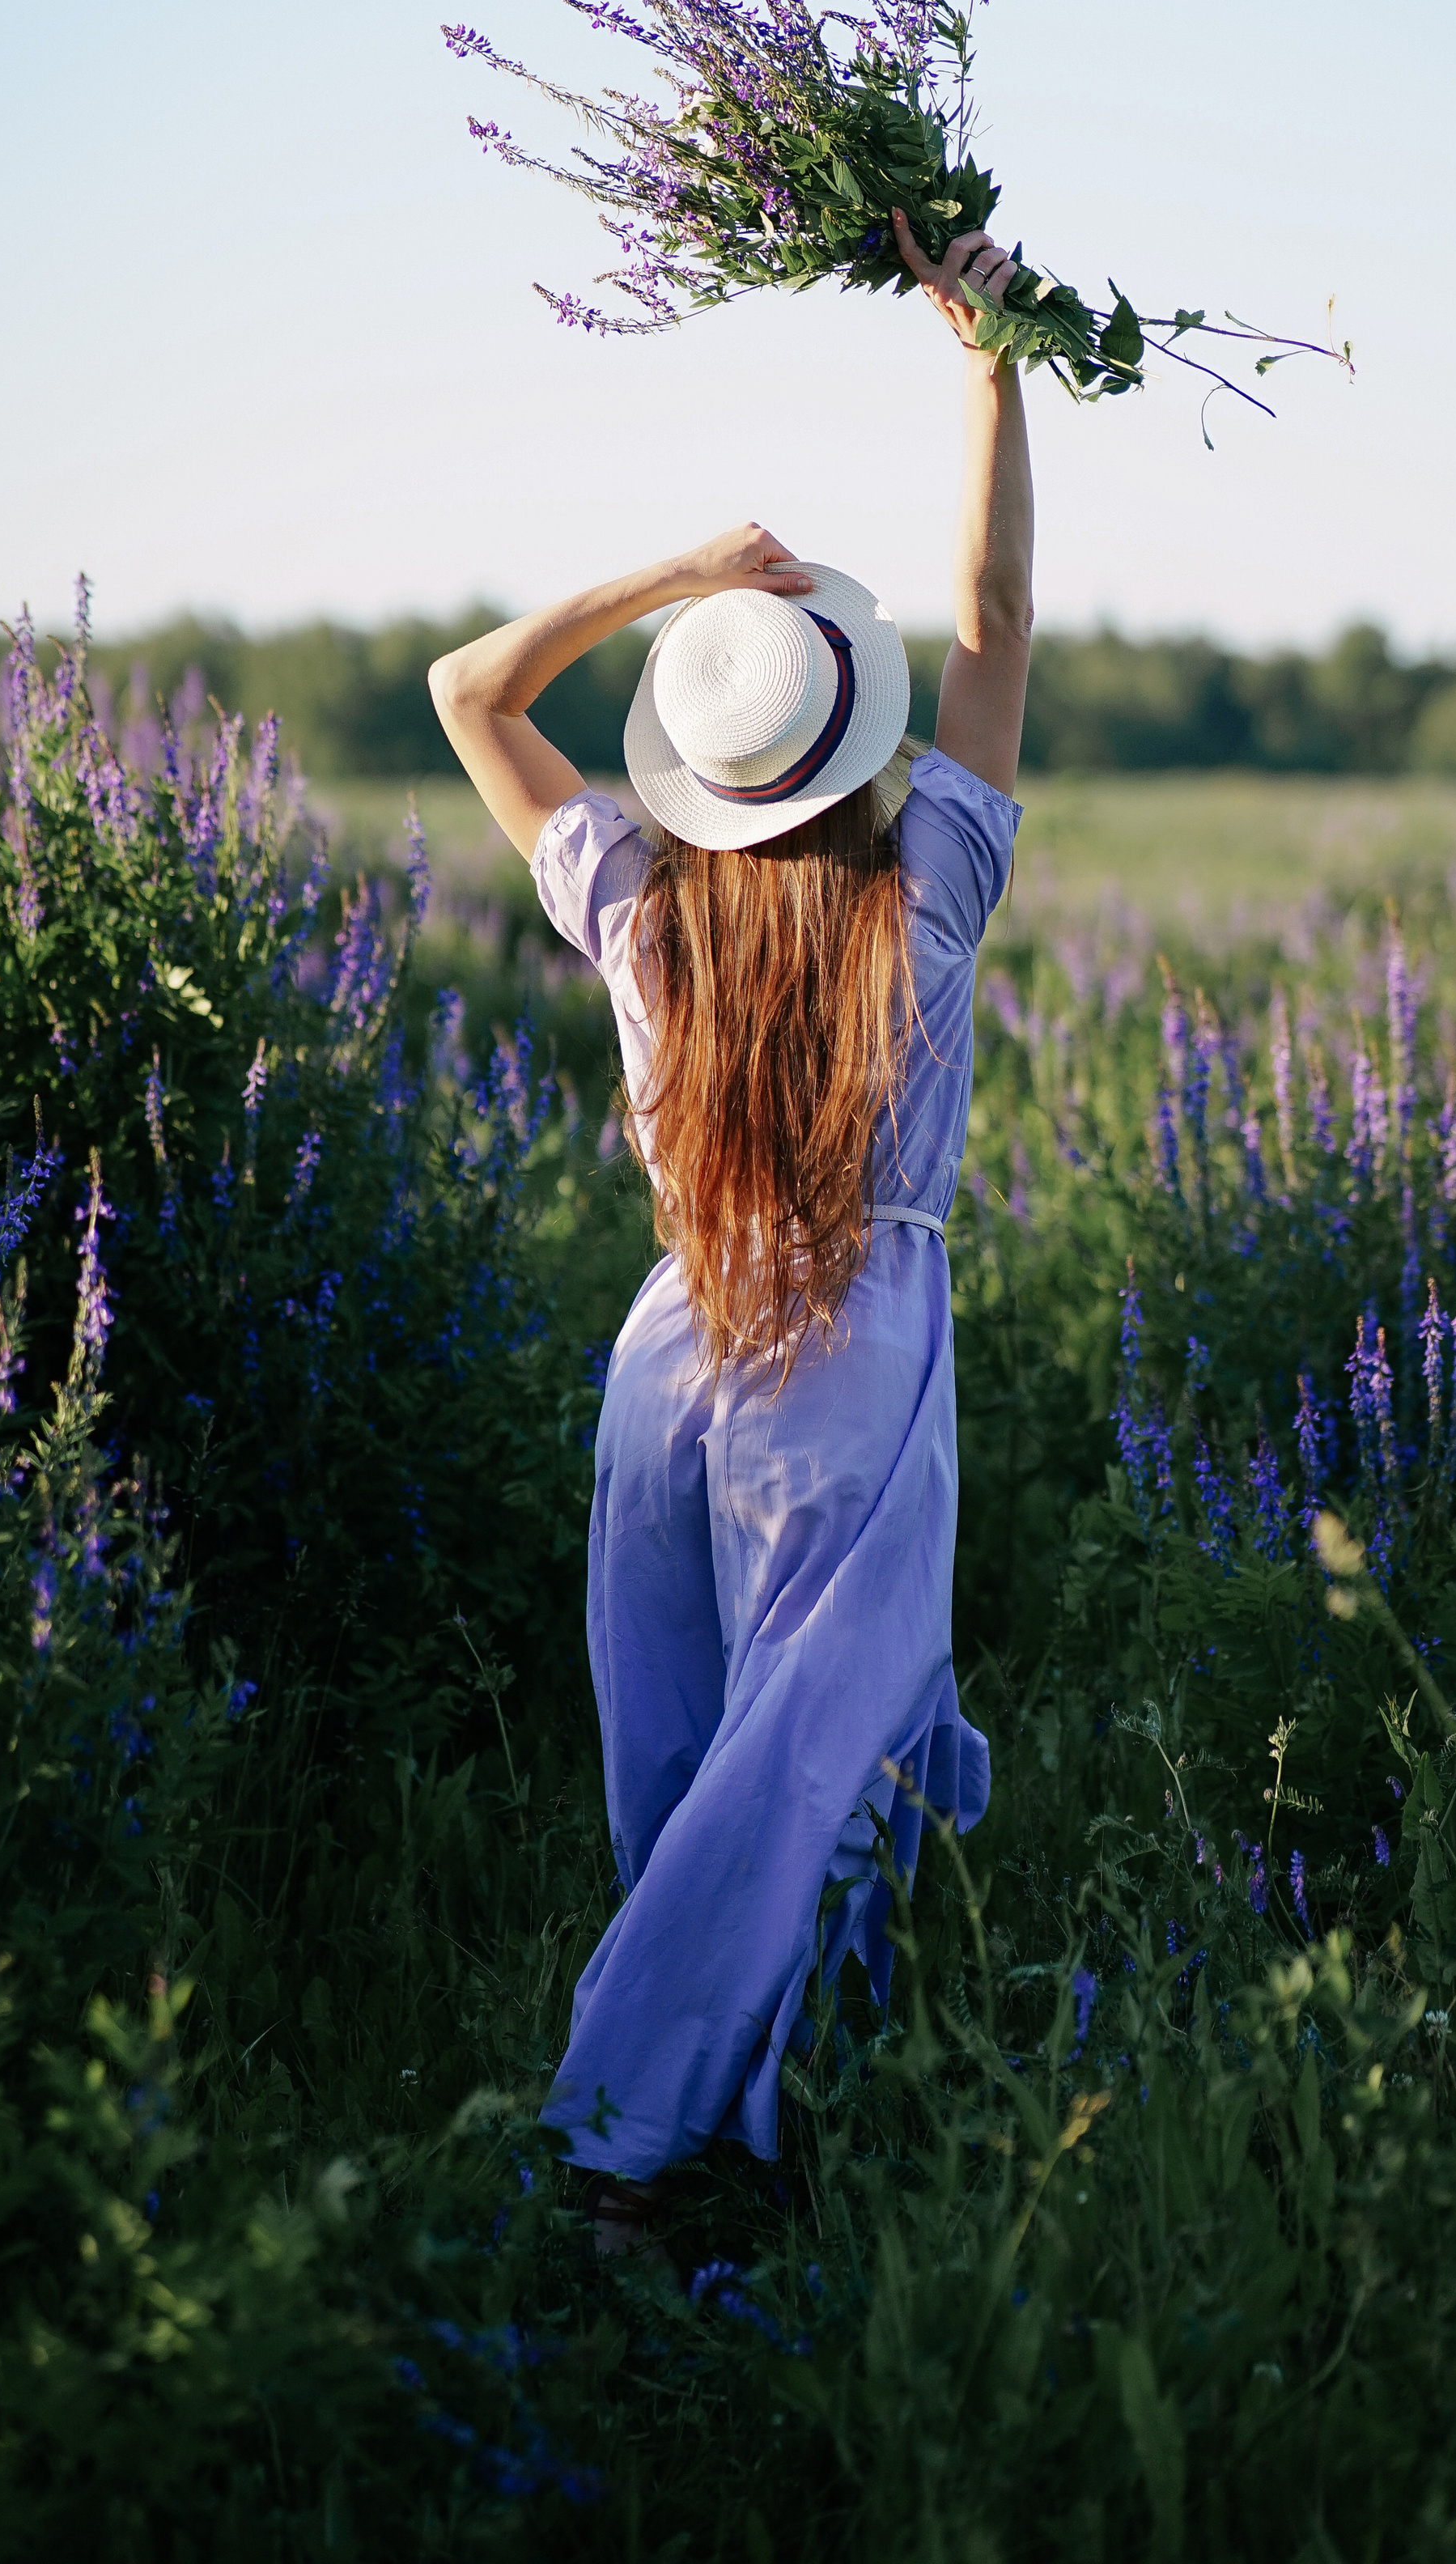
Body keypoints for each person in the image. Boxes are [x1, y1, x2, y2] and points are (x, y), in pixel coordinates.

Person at [427, 214, 1034, 2241]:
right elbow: (997, 618)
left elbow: (467, 688)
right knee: (803, 1777)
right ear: (851, 748)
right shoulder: (921, 891)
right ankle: (647, 2141)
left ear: (699, 773)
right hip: (852, 1368)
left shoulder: (633, 902)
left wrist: (682, 579)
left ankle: (708, 2138)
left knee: (688, 1751)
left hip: (670, 1351)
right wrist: (988, 360)